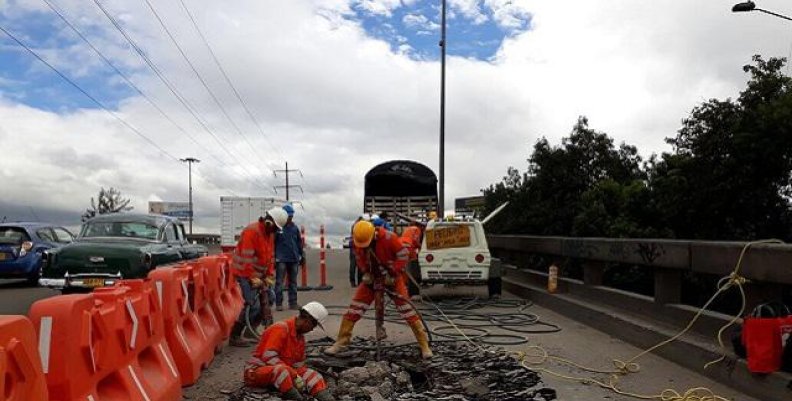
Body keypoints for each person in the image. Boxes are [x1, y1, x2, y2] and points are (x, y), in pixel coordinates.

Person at [324, 220, 433, 359]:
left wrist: (393, 272)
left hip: (392, 279)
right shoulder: (359, 242)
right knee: (354, 309)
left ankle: (424, 345)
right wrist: (366, 272)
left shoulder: (389, 238)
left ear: (374, 234)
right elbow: (359, 259)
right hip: (372, 279)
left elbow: (403, 255)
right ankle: (342, 341)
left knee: (407, 311)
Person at [244, 302, 334, 401]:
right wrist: (293, 374)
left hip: (282, 375)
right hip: (256, 372)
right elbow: (269, 357)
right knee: (281, 371)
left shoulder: (300, 339)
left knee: (313, 375)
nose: (312, 329)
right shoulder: (281, 328)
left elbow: (298, 365)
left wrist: (302, 376)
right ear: (307, 319)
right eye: (314, 325)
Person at [230, 207, 289, 347]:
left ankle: (250, 331)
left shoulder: (269, 234)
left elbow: (270, 256)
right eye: (275, 228)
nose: (275, 231)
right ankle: (235, 335)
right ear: (269, 222)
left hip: (259, 276)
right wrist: (251, 278)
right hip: (244, 274)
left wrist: (269, 275)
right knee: (253, 305)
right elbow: (246, 258)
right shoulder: (252, 232)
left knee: (271, 298)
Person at [275, 204, 304, 311]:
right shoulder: (278, 228)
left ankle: (293, 303)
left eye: (291, 216)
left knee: (293, 282)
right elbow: (273, 243)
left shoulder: (294, 228)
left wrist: (302, 255)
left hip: (293, 258)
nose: (290, 218)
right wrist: (274, 258)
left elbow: (299, 243)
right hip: (281, 259)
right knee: (279, 282)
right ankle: (279, 303)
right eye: (288, 216)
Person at [400, 221, 424, 300]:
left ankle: (403, 286)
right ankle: (411, 289)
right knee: (413, 267)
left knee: (404, 268)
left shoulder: (407, 229)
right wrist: (421, 247)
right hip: (409, 247)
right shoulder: (417, 229)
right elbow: (415, 240)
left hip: (400, 245)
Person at [348, 215, 364, 287]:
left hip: (352, 246)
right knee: (360, 265)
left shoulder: (353, 225)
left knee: (353, 265)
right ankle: (360, 282)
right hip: (359, 247)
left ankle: (352, 282)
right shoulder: (361, 226)